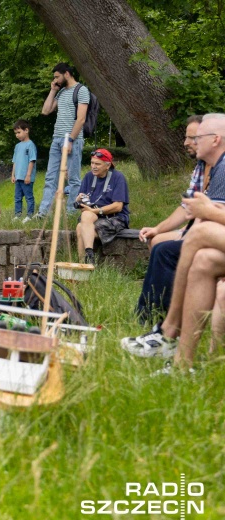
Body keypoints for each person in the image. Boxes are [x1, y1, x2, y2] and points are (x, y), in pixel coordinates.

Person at [120, 114, 224, 357]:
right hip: (202, 234)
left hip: (201, 231)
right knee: (178, 248)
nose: (191, 142)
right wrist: (159, 228)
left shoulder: (223, 166)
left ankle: (168, 329)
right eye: (190, 137)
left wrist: (206, 213)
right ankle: (177, 354)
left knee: (190, 237)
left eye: (197, 137)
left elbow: (206, 215)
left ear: (216, 139)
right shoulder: (208, 166)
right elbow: (191, 208)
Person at [137, 115, 206, 249]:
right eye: (186, 137)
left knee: (162, 246)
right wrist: (157, 229)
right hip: (199, 227)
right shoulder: (200, 166)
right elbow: (187, 207)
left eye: (192, 138)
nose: (186, 143)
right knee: (155, 239)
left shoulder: (221, 166)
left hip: (213, 233)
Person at [37, 63, 90, 216]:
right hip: (56, 139)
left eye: (57, 77)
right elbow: (46, 111)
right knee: (50, 177)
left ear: (66, 74)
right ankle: (43, 212)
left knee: (73, 178)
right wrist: (53, 90)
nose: (55, 80)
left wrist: (71, 140)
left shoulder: (81, 90)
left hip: (73, 139)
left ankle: (72, 212)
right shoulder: (60, 93)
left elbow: (81, 119)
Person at [74, 149, 130, 264]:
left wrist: (96, 211)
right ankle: (88, 258)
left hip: (115, 217)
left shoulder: (118, 177)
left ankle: (84, 263)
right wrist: (78, 199)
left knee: (81, 228)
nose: (93, 166)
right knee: (85, 216)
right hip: (91, 216)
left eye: (97, 164)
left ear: (107, 165)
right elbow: (81, 201)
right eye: (92, 163)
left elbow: (118, 206)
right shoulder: (89, 177)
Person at [11, 119, 37, 219]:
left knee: (28, 197)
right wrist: (13, 175)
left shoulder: (30, 145)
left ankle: (29, 215)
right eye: (15, 133)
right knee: (17, 197)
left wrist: (28, 175)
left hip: (26, 177)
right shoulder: (17, 146)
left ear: (26, 130)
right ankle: (17, 214)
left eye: (19, 132)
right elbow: (15, 161)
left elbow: (32, 160)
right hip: (18, 177)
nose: (17, 135)